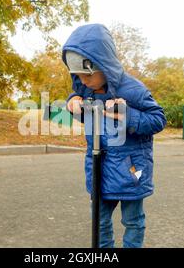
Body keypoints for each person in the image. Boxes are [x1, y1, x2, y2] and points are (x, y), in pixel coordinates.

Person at [62, 24, 167, 248]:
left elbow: (158, 120)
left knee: (133, 222)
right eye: (77, 76)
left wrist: (128, 114)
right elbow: (87, 116)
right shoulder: (85, 89)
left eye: (86, 75)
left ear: (104, 64)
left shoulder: (133, 90)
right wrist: (73, 102)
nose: (82, 81)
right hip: (99, 169)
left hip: (131, 172)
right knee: (99, 222)